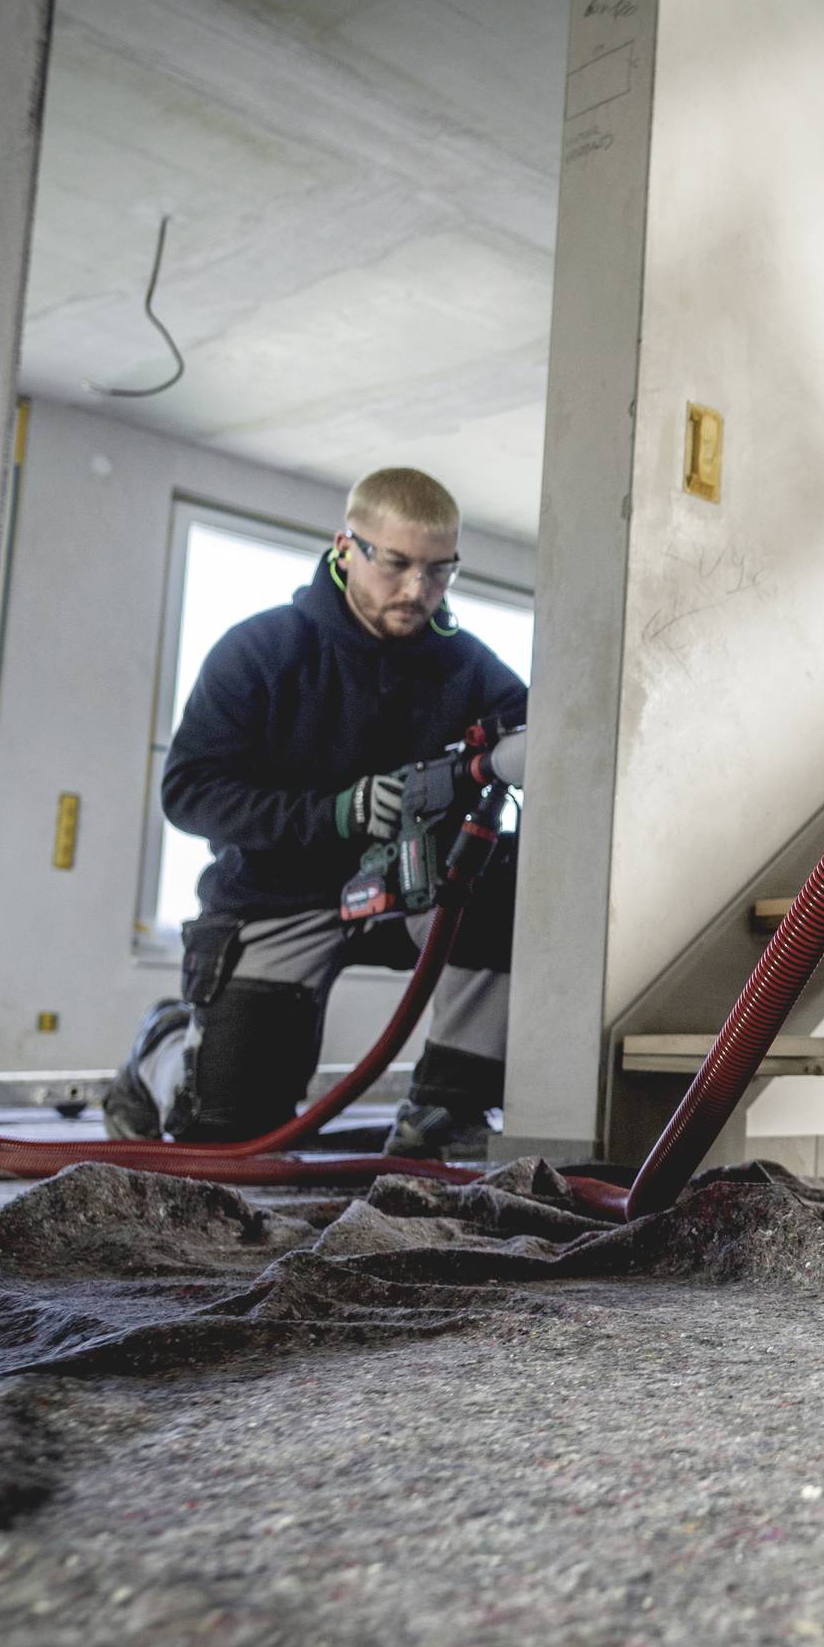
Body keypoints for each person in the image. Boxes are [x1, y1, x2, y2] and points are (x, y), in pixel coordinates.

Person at [104, 467, 528, 1158]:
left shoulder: (467, 666)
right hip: (282, 898)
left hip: (415, 892)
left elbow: (546, 740)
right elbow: (189, 792)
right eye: (396, 564)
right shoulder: (262, 651)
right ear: (345, 548)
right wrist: (334, 814)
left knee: (507, 882)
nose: (418, 590)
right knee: (229, 1133)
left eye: (439, 570)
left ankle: (448, 1105)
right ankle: (159, 1054)